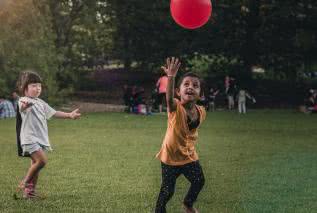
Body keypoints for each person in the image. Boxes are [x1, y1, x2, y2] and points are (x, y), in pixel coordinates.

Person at [15, 70, 81, 199]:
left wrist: (69, 115)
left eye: (39, 86)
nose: (37, 88)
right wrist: (25, 106)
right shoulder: (24, 100)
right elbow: (22, 107)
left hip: (39, 138)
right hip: (29, 138)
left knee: (36, 165)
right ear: (25, 88)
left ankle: (29, 193)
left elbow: (54, 112)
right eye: (33, 86)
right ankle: (25, 182)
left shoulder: (40, 102)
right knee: (42, 161)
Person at [155, 57, 206, 213]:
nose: (190, 87)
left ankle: (188, 205)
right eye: (186, 84)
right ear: (178, 91)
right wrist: (171, 77)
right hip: (170, 157)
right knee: (167, 191)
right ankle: (159, 211)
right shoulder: (175, 108)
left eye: (195, 86)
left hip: (188, 156)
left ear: (200, 94)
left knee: (199, 181)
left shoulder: (201, 112)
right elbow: (169, 99)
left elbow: (190, 133)